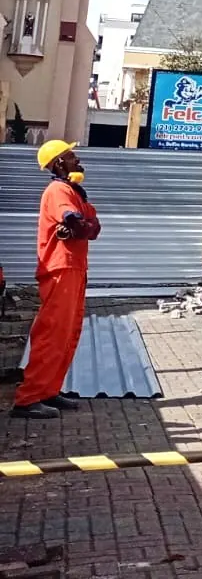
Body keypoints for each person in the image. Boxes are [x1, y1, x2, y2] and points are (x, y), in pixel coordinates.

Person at [12, 141, 99, 420]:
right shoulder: (58, 190)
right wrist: (78, 223)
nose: (78, 159)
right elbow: (75, 221)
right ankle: (27, 399)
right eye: (71, 155)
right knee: (51, 334)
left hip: (73, 268)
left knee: (67, 334)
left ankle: (48, 390)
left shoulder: (75, 191)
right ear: (59, 163)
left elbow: (93, 227)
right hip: (61, 268)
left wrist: (84, 224)